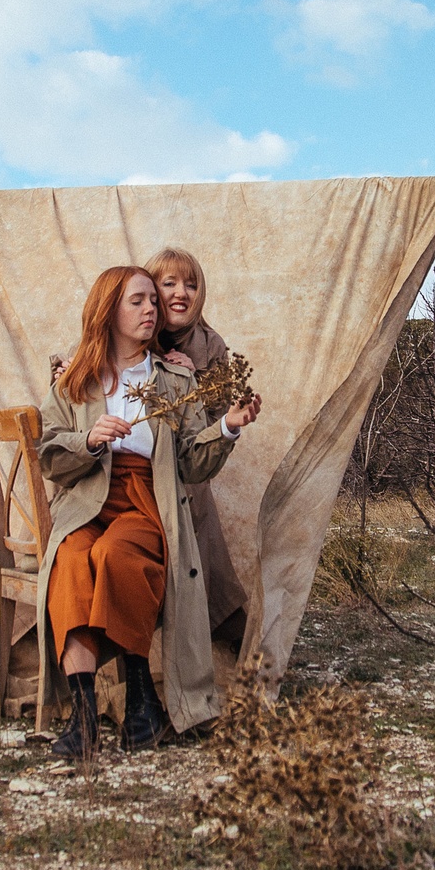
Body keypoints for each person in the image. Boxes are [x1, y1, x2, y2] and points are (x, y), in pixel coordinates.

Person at [36, 266, 262, 760]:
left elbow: (191, 465)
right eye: (137, 301)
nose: (151, 310)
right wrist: (89, 439)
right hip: (85, 501)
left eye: (152, 303)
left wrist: (226, 425)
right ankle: (84, 713)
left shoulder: (174, 378)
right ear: (108, 311)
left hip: (146, 498)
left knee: (121, 554)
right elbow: (48, 453)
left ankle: (141, 693)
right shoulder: (74, 379)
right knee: (72, 562)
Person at [142, 246, 252, 656]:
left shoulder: (212, 345)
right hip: (132, 463)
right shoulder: (133, 326)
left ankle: (219, 624)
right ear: (151, 288)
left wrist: (189, 383)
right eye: (169, 282)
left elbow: (210, 432)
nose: (181, 292)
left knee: (193, 497)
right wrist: (63, 368)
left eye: (191, 284)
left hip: (185, 465)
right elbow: (92, 359)